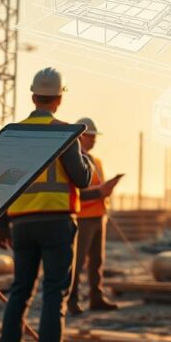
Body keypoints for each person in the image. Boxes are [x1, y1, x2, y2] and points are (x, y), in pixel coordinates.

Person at [0, 68, 95, 342]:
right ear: (59, 99)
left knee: (19, 292)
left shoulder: (13, 134)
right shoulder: (65, 133)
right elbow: (82, 179)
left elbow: (0, 184)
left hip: (21, 224)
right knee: (54, 295)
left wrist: (3, 225)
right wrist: (84, 158)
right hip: (57, 222)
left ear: (33, 96)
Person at [67, 117, 121, 314]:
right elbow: (77, 192)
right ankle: (71, 299)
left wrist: (107, 190)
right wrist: (100, 192)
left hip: (99, 216)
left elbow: (97, 187)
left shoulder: (95, 160)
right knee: (77, 261)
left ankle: (95, 297)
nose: (94, 140)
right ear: (80, 137)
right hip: (82, 218)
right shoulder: (73, 160)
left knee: (97, 261)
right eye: (91, 136)